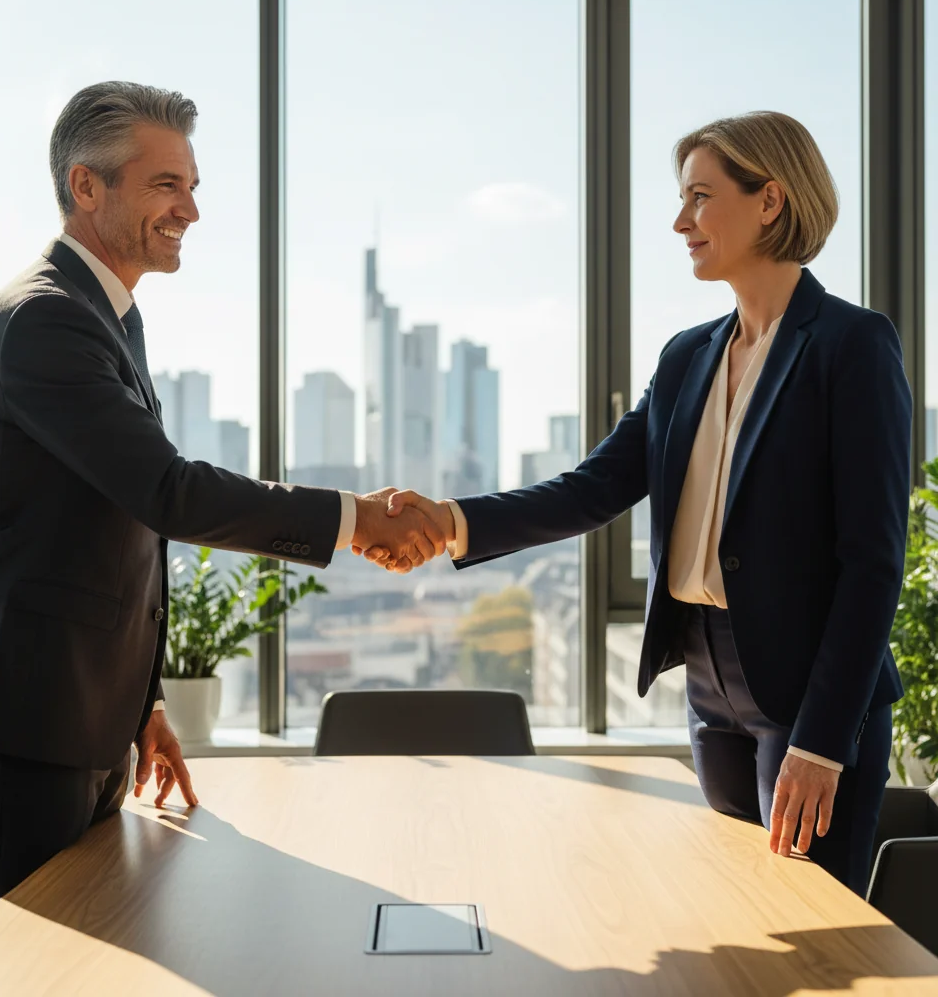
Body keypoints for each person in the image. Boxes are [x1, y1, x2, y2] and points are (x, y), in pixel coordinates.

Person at [0, 80, 445, 919]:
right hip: (24, 705)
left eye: (192, 186)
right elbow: (163, 490)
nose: (190, 209)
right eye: (167, 185)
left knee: (89, 942)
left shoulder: (107, 315)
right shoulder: (44, 319)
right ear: (87, 186)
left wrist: (142, 702)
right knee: (30, 969)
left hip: (74, 701)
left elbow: (109, 527)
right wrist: (355, 520)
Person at [361, 111, 911, 898]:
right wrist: (449, 522)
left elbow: (873, 562)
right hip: (708, 683)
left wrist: (824, 742)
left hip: (811, 696)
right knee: (733, 918)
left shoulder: (852, 346)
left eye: (699, 197)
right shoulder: (688, 355)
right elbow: (594, 488)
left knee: (815, 930)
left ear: (769, 201)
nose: (680, 221)